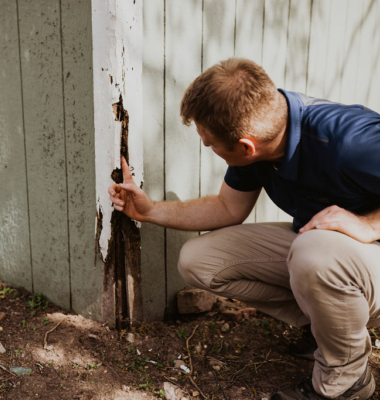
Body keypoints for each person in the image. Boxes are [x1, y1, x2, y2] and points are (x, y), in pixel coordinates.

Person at [108, 58, 380, 399]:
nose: (209, 149)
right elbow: (228, 207)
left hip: (364, 254)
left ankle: (346, 382)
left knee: (314, 254)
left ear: (246, 146)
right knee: (199, 259)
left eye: (211, 144)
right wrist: (150, 211)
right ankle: (330, 327)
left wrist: (369, 224)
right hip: (332, 254)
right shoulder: (266, 140)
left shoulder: (350, 141)